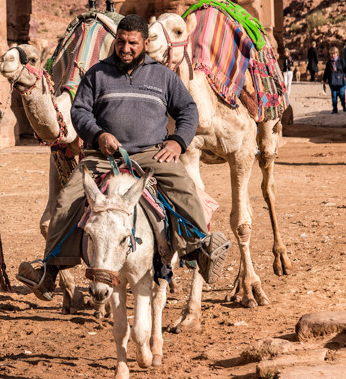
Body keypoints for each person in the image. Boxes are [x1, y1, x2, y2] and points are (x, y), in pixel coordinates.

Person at [16, 15, 231, 299]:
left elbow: (188, 110)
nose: (125, 48)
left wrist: (178, 143)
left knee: (184, 188)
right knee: (67, 200)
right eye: (121, 41)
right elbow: (80, 111)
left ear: (144, 44)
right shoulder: (97, 74)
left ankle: (199, 249)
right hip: (104, 156)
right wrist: (97, 135)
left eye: (132, 42)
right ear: (115, 40)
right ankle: (50, 270)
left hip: (151, 153)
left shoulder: (163, 75)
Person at [322, 46, 346, 114]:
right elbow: (326, 71)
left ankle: (344, 105)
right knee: (334, 95)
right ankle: (335, 109)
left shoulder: (341, 60)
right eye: (331, 54)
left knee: (341, 94)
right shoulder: (329, 62)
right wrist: (324, 79)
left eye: (334, 54)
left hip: (341, 80)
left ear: (337, 53)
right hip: (332, 81)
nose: (333, 55)